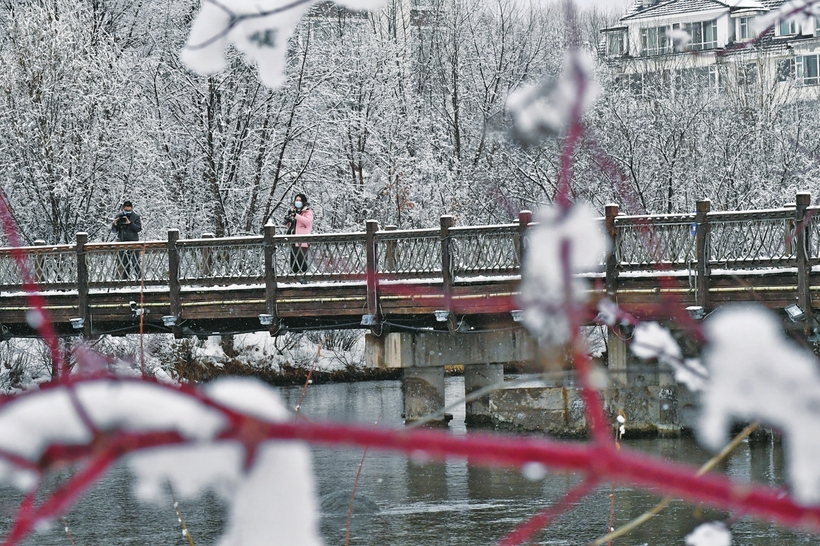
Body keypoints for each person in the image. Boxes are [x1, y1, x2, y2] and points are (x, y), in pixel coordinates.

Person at [283, 193, 313, 275]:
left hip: (302, 241)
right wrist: (288, 221)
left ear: (303, 202)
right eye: (296, 200)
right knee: (294, 264)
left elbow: (308, 222)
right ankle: (295, 280)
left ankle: (305, 280)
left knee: (301, 263)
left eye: (300, 200)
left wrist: (296, 216)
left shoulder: (307, 212)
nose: (298, 202)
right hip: (293, 240)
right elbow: (294, 225)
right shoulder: (293, 211)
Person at [111, 201, 142, 279]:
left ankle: (140, 278)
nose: (127, 212)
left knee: (135, 262)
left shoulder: (136, 217)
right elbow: (114, 231)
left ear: (132, 208)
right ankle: (124, 280)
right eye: (126, 210)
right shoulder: (119, 216)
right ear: (123, 209)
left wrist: (130, 223)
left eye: (129, 210)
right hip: (122, 242)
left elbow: (138, 228)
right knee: (123, 263)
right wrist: (115, 224)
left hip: (133, 242)